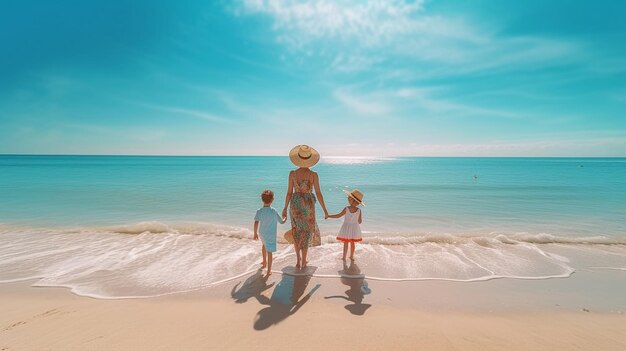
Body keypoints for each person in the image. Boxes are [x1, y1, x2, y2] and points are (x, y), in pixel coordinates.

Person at [282, 145, 329, 270]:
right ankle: (304, 260)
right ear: (310, 159)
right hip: (308, 205)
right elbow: (318, 193)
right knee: (307, 232)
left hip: (295, 204)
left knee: (296, 232)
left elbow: (289, 193)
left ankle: (298, 260)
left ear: (298, 158)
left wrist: (284, 208)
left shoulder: (292, 174)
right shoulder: (314, 174)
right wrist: (325, 210)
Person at [254, 189, 286, 276]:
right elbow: (281, 222)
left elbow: (256, 222)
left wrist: (255, 233)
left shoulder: (259, 211)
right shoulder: (273, 211)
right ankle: (269, 271)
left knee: (264, 245)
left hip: (262, 233)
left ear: (262, 200)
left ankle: (264, 262)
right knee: (270, 252)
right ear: (272, 200)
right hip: (270, 235)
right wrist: (285, 218)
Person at [327, 189, 364, 261]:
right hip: (355, 228)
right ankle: (351, 256)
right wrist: (355, 220)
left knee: (346, 243)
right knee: (352, 243)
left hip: (346, 227)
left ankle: (344, 257)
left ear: (351, 200)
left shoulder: (346, 208)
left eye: (349, 198)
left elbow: (338, 216)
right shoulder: (359, 210)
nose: (348, 199)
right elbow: (360, 222)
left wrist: (329, 216)